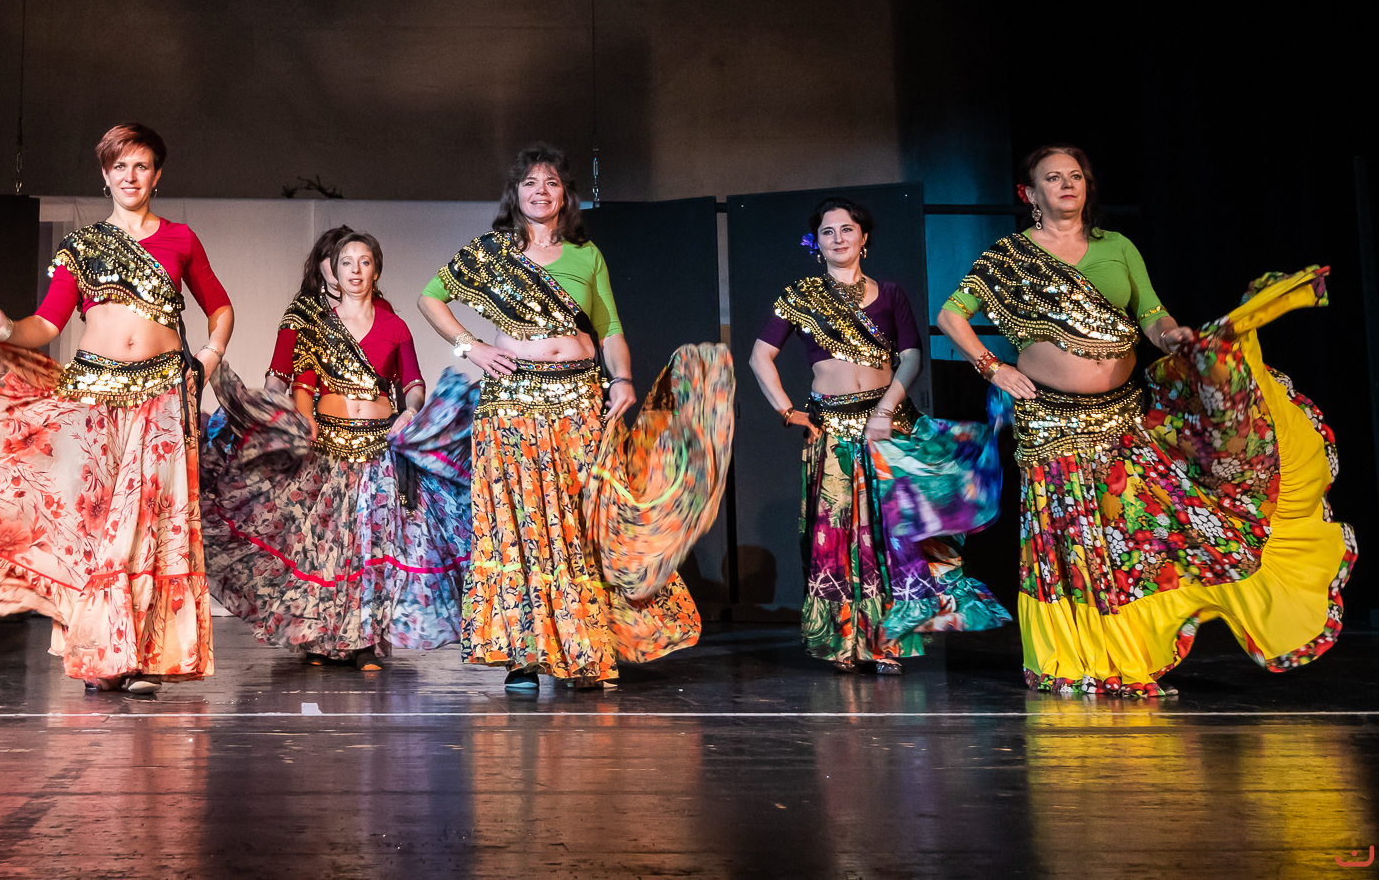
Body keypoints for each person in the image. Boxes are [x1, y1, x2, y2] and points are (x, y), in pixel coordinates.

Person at [937, 145, 1355, 696]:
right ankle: (1073, 656)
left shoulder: (1118, 248)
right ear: (1029, 193)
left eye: (1076, 176)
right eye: (1053, 178)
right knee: (1070, 540)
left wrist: (1173, 337)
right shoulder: (1009, 256)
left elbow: (1152, 314)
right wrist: (994, 368)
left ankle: (1127, 651)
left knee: (1128, 535)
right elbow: (951, 315)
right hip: (1051, 420)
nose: (1067, 184)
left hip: (1120, 414)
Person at [0, 123, 232, 696]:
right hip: (93, 394)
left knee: (148, 522)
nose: (131, 177)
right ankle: (103, 652)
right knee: (97, 521)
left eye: (142, 166)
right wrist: (3, 327)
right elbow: (47, 324)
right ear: (105, 175)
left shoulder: (181, 239)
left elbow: (220, 307)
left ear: (157, 174)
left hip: (161, 394)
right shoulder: (80, 247)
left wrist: (207, 357)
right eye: (120, 167)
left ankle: (138, 654)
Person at [419, 142, 699, 693]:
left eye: (551, 182)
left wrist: (622, 379)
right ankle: (523, 656)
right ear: (515, 193)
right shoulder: (491, 252)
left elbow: (609, 328)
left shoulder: (585, 255)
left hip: (577, 398)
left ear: (566, 195)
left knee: (581, 520)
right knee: (520, 525)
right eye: (530, 182)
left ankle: (584, 646)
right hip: (512, 401)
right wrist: (471, 347)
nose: (540, 191)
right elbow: (431, 297)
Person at [750, 198, 1008, 675]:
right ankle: (843, 640)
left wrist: (885, 410)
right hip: (831, 429)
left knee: (892, 536)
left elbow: (911, 357)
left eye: (847, 229)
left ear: (864, 238)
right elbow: (759, 356)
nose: (838, 238)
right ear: (816, 242)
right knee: (838, 536)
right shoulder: (801, 295)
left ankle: (890, 641)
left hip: (888, 424)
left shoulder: (890, 294)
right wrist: (787, 411)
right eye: (828, 232)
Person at [202, 230, 473, 668]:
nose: (355, 271)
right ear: (333, 270)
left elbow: (412, 382)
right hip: (328, 445)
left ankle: (365, 642)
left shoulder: (395, 326)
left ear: (376, 271)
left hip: (378, 445)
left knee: (370, 544)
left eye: (364, 262)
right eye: (347, 262)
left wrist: (411, 410)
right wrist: (302, 418)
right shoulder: (316, 325)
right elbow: (304, 382)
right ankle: (321, 640)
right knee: (326, 545)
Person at [264, 224, 354, 392]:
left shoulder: (379, 310)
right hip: (311, 408)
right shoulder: (301, 312)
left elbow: (398, 379)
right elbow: (277, 378)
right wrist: (265, 403)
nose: (336, 263)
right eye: (329, 256)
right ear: (318, 265)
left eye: (344, 257)